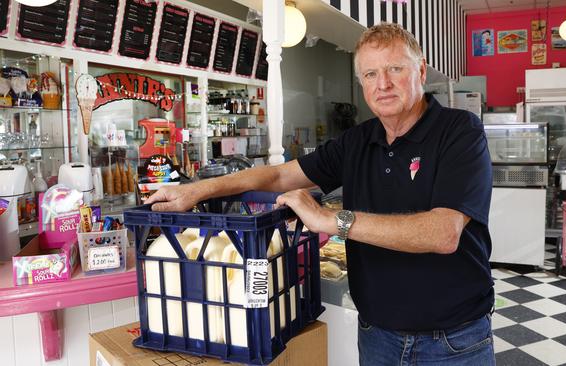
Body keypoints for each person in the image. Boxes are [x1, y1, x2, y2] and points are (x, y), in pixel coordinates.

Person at [146, 22, 495, 366]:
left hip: (452, 341)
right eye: (370, 74)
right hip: (377, 335)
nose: (383, 84)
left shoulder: (459, 131)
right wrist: (196, 190)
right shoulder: (357, 141)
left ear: (420, 70)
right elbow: (281, 174)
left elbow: (443, 233)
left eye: (395, 69)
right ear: (361, 83)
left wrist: (330, 219)